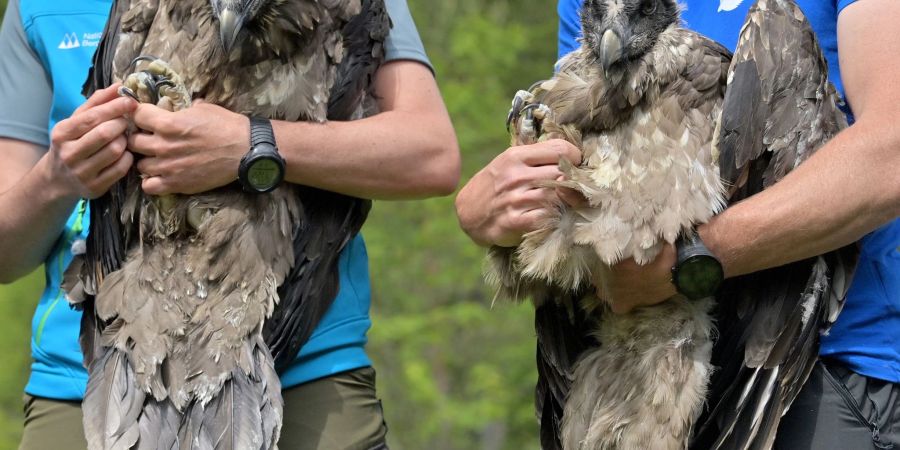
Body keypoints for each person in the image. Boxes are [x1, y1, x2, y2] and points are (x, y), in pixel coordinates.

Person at [0, 0, 460, 448]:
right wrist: (56, 180)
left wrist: (255, 144)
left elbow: (430, 155)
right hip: (93, 370)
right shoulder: (37, 6)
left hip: (307, 368)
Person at [456, 0, 900, 447]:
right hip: (622, 369)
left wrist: (690, 261)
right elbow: (584, 182)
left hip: (817, 366)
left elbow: (893, 152)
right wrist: (491, 212)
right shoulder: (598, 13)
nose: (612, 31)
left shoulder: (773, 25)